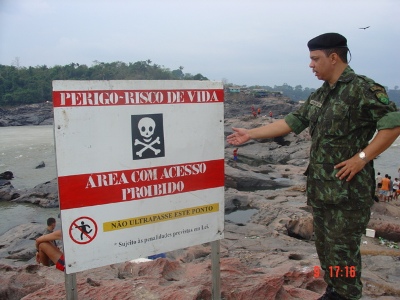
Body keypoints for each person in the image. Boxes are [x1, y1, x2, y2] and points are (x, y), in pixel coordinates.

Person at [227, 32, 400, 300]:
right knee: (326, 248)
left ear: (333, 57)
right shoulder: (321, 95)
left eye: (315, 59)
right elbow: (292, 122)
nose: (311, 65)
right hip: (322, 189)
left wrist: (362, 158)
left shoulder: (362, 89)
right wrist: (251, 134)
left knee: (345, 252)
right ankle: (334, 290)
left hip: (348, 192)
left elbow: (393, 123)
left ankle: (347, 295)